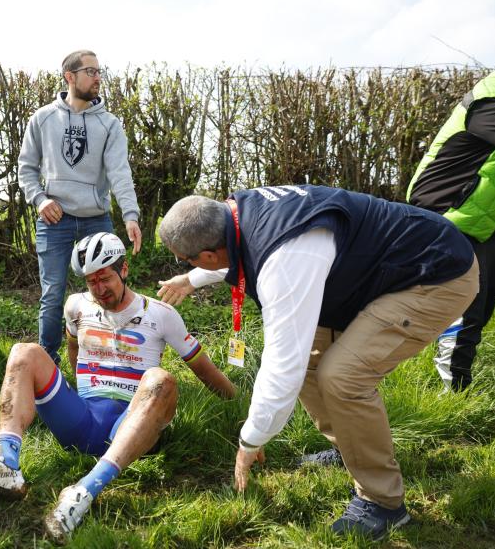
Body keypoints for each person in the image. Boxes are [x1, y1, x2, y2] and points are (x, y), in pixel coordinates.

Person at [157, 186, 478, 541]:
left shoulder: (286, 258)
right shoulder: (238, 213)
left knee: (343, 377)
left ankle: (383, 503)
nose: (186, 265)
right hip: (380, 271)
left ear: (208, 253)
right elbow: (242, 253)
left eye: (185, 260)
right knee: (314, 361)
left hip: (435, 273)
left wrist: (250, 439)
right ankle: (350, 447)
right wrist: (193, 277)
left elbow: (282, 367)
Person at [0, 233, 236, 543]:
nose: (99, 289)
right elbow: (73, 350)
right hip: (82, 420)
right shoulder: (76, 307)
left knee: (161, 379)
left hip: (132, 425)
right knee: (23, 352)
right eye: (91, 282)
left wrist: (239, 406)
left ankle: (83, 491)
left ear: (124, 270)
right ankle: (5, 465)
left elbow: (203, 370)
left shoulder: (161, 315)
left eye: (105, 278)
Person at [18, 49, 143, 366]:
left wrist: (130, 215)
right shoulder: (43, 118)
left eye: (100, 71)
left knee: (110, 289)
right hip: (54, 221)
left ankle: (113, 359)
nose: (98, 77)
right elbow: (27, 169)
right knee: (53, 294)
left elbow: (119, 173)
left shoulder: (110, 124)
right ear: (69, 77)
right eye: (91, 71)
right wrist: (40, 199)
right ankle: (48, 365)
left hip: (95, 220)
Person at [407, 68, 495, 392]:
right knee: (467, 303)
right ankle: (453, 391)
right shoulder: (490, 99)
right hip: (448, 211)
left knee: (483, 304)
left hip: (483, 218)